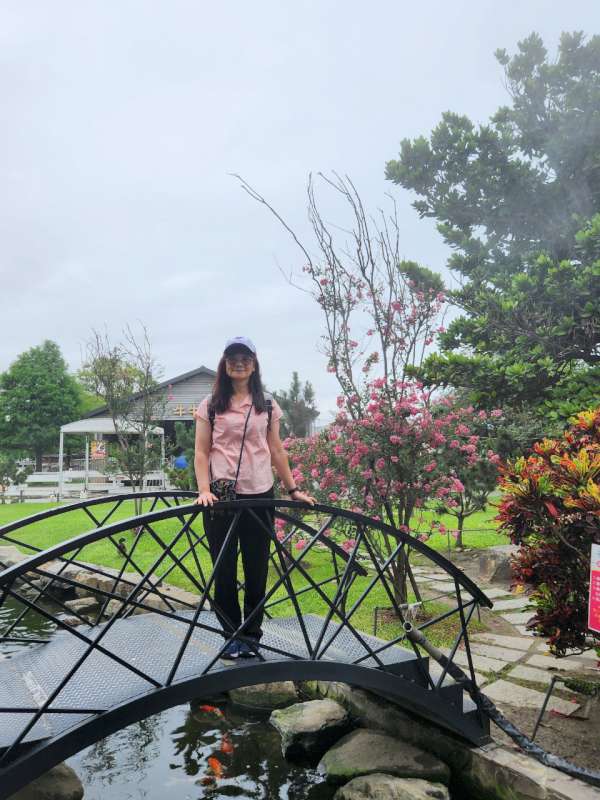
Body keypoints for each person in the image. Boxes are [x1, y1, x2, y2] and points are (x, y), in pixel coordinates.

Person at [194, 336, 315, 660]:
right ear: (224, 363)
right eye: (233, 357)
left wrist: (293, 489)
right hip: (221, 497)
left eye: (245, 357)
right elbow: (201, 452)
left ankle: (251, 636)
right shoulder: (210, 404)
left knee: (257, 568)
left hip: (260, 493)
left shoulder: (268, 404)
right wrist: (204, 490)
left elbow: (276, 449)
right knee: (223, 569)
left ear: (254, 363)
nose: (239, 362)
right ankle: (230, 636)